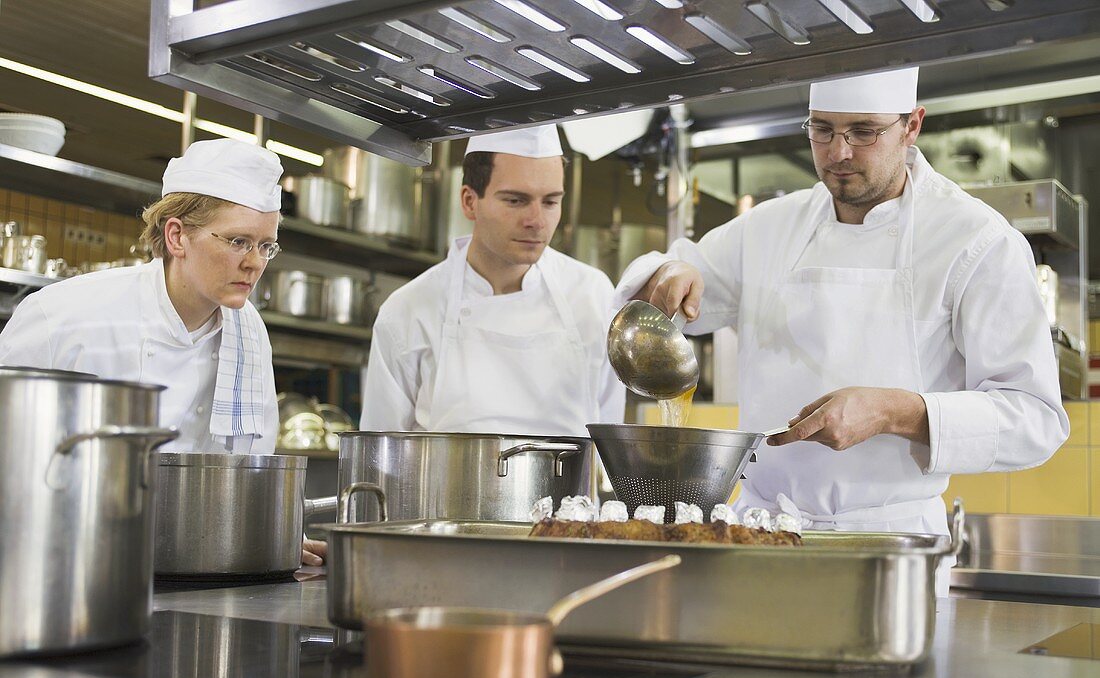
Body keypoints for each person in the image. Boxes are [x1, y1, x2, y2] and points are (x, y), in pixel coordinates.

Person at [617, 67, 1068, 591]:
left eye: (863, 131)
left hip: (891, 551)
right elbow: (677, 274)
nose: (839, 153)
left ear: (912, 125)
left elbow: (1035, 418)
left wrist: (896, 411)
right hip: (761, 539)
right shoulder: (770, 227)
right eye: (822, 130)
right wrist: (671, 274)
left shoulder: (976, 240)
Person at [0, 138, 325, 566]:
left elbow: (252, 464)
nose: (255, 263)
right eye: (238, 241)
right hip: (61, 563)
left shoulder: (250, 332)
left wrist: (270, 536)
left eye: (266, 246)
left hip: (196, 566)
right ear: (177, 236)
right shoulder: (61, 315)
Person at [360, 125, 625, 435]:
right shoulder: (409, 310)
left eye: (551, 202)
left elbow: (606, 444)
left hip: (570, 486)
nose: (536, 222)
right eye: (515, 200)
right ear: (470, 201)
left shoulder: (592, 296)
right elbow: (378, 457)